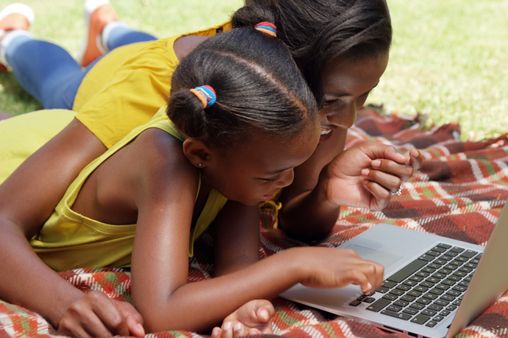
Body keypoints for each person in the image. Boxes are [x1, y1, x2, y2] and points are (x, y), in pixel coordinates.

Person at [0, 0, 413, 335]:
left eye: (364, 97)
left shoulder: (252, 130)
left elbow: (269, 233)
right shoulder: (162, 132)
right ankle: (14, 35)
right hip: (46, 134)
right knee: (62, 83)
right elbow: (162, 309)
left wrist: (323, 190)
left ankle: (107, 23)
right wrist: (62, 302)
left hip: (200, 81)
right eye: (336, 100)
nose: (350, 120)